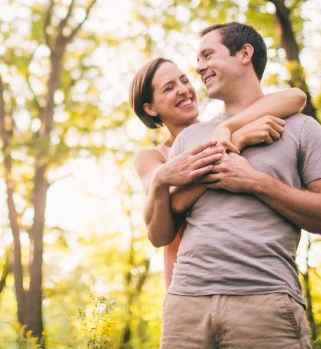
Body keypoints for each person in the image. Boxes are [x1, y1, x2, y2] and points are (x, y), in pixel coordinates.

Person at [160, 22, 321, 349]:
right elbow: (167, 221)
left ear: (244, 53)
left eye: (208, 54)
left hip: (265, 302)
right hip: (186, 307)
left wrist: (256, 182)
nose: (198, 67)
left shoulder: (302, 128)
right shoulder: (189, 138)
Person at [129, 57, 308, 288]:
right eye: (169, 88)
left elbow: (295, 97)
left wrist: (229, 132)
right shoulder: (152, 157)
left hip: (252, 273)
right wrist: (238, 140)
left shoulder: (224, 126)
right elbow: (169, 204)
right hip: (188, 282)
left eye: (184, 81)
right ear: (150, 108)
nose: (184, 90)